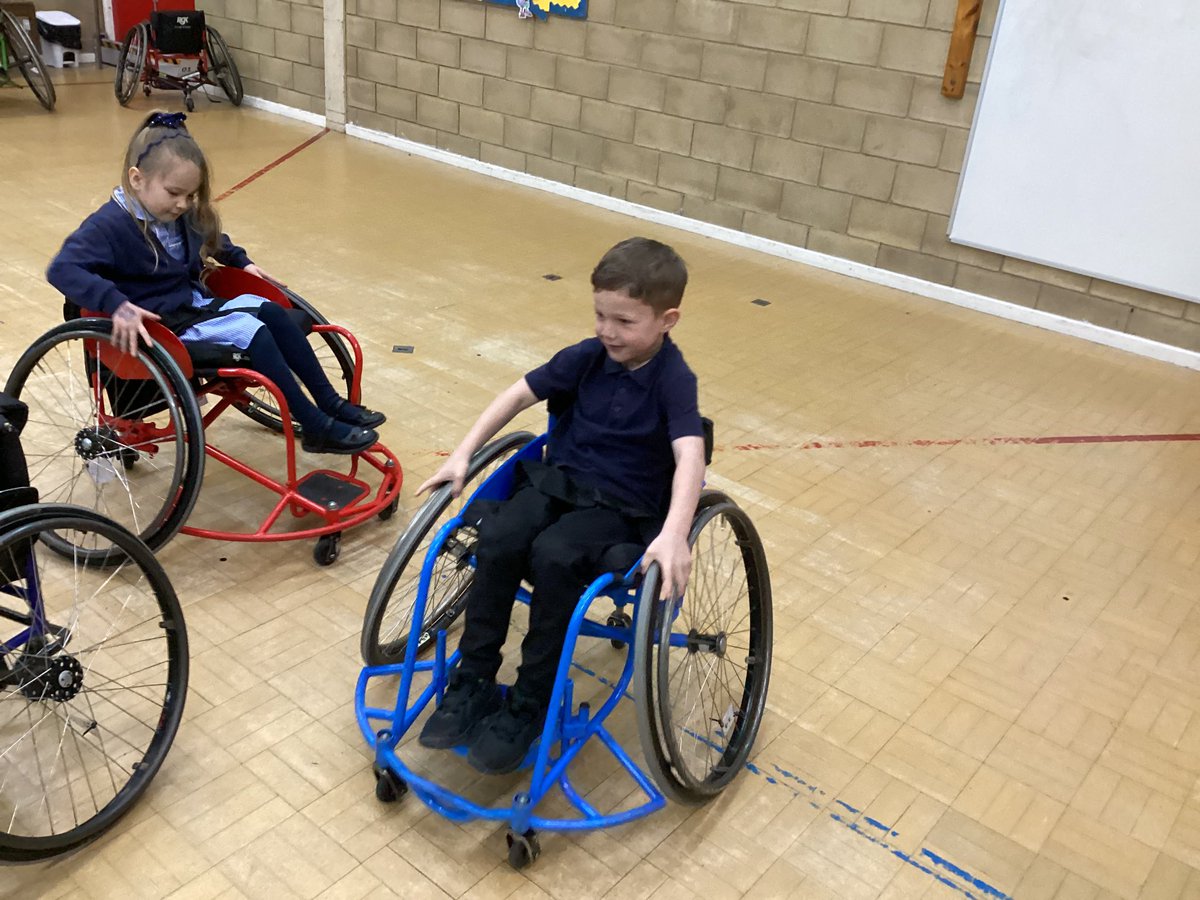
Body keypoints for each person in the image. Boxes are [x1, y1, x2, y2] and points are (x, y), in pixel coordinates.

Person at [417, 236, 706, 774]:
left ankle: (531, 700)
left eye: (624, 321)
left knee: (554, 556)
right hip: (559, 483)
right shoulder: (587, 357)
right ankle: (473, 680)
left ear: (667, 320)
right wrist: (462, 453)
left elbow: (690, 452)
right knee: (500, 536)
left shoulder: (673, 380)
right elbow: (518, 394)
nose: (607, 331)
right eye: (600, 315)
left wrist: (675, 531)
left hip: (620, 508)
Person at [46, 110, 385, 455]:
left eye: (191, 195)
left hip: (192, 306)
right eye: (175, 193)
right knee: (252, 333)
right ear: (136, 179)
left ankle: (329, 403)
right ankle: (315, 426)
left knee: (273, 311)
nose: (183, 204)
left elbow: (210, 236)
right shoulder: (109, 225)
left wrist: (242, 262)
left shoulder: (175, 213)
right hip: (163, 326)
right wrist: (116, 304)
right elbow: (62, 269)